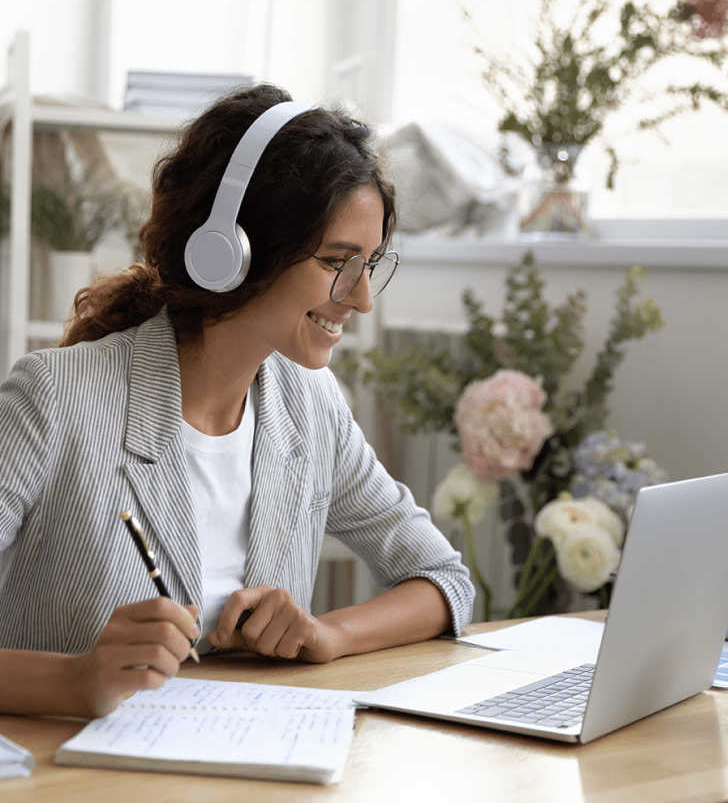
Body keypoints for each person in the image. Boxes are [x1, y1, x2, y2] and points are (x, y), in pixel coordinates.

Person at [0, 83, 474, 719]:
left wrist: (327, 634)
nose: (362, 299)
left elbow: (444, 582)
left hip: (251, 764)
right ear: (234, 251)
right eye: (339, 262)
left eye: (371, 264)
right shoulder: (56, 398)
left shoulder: (310, 405)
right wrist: (76, 681)